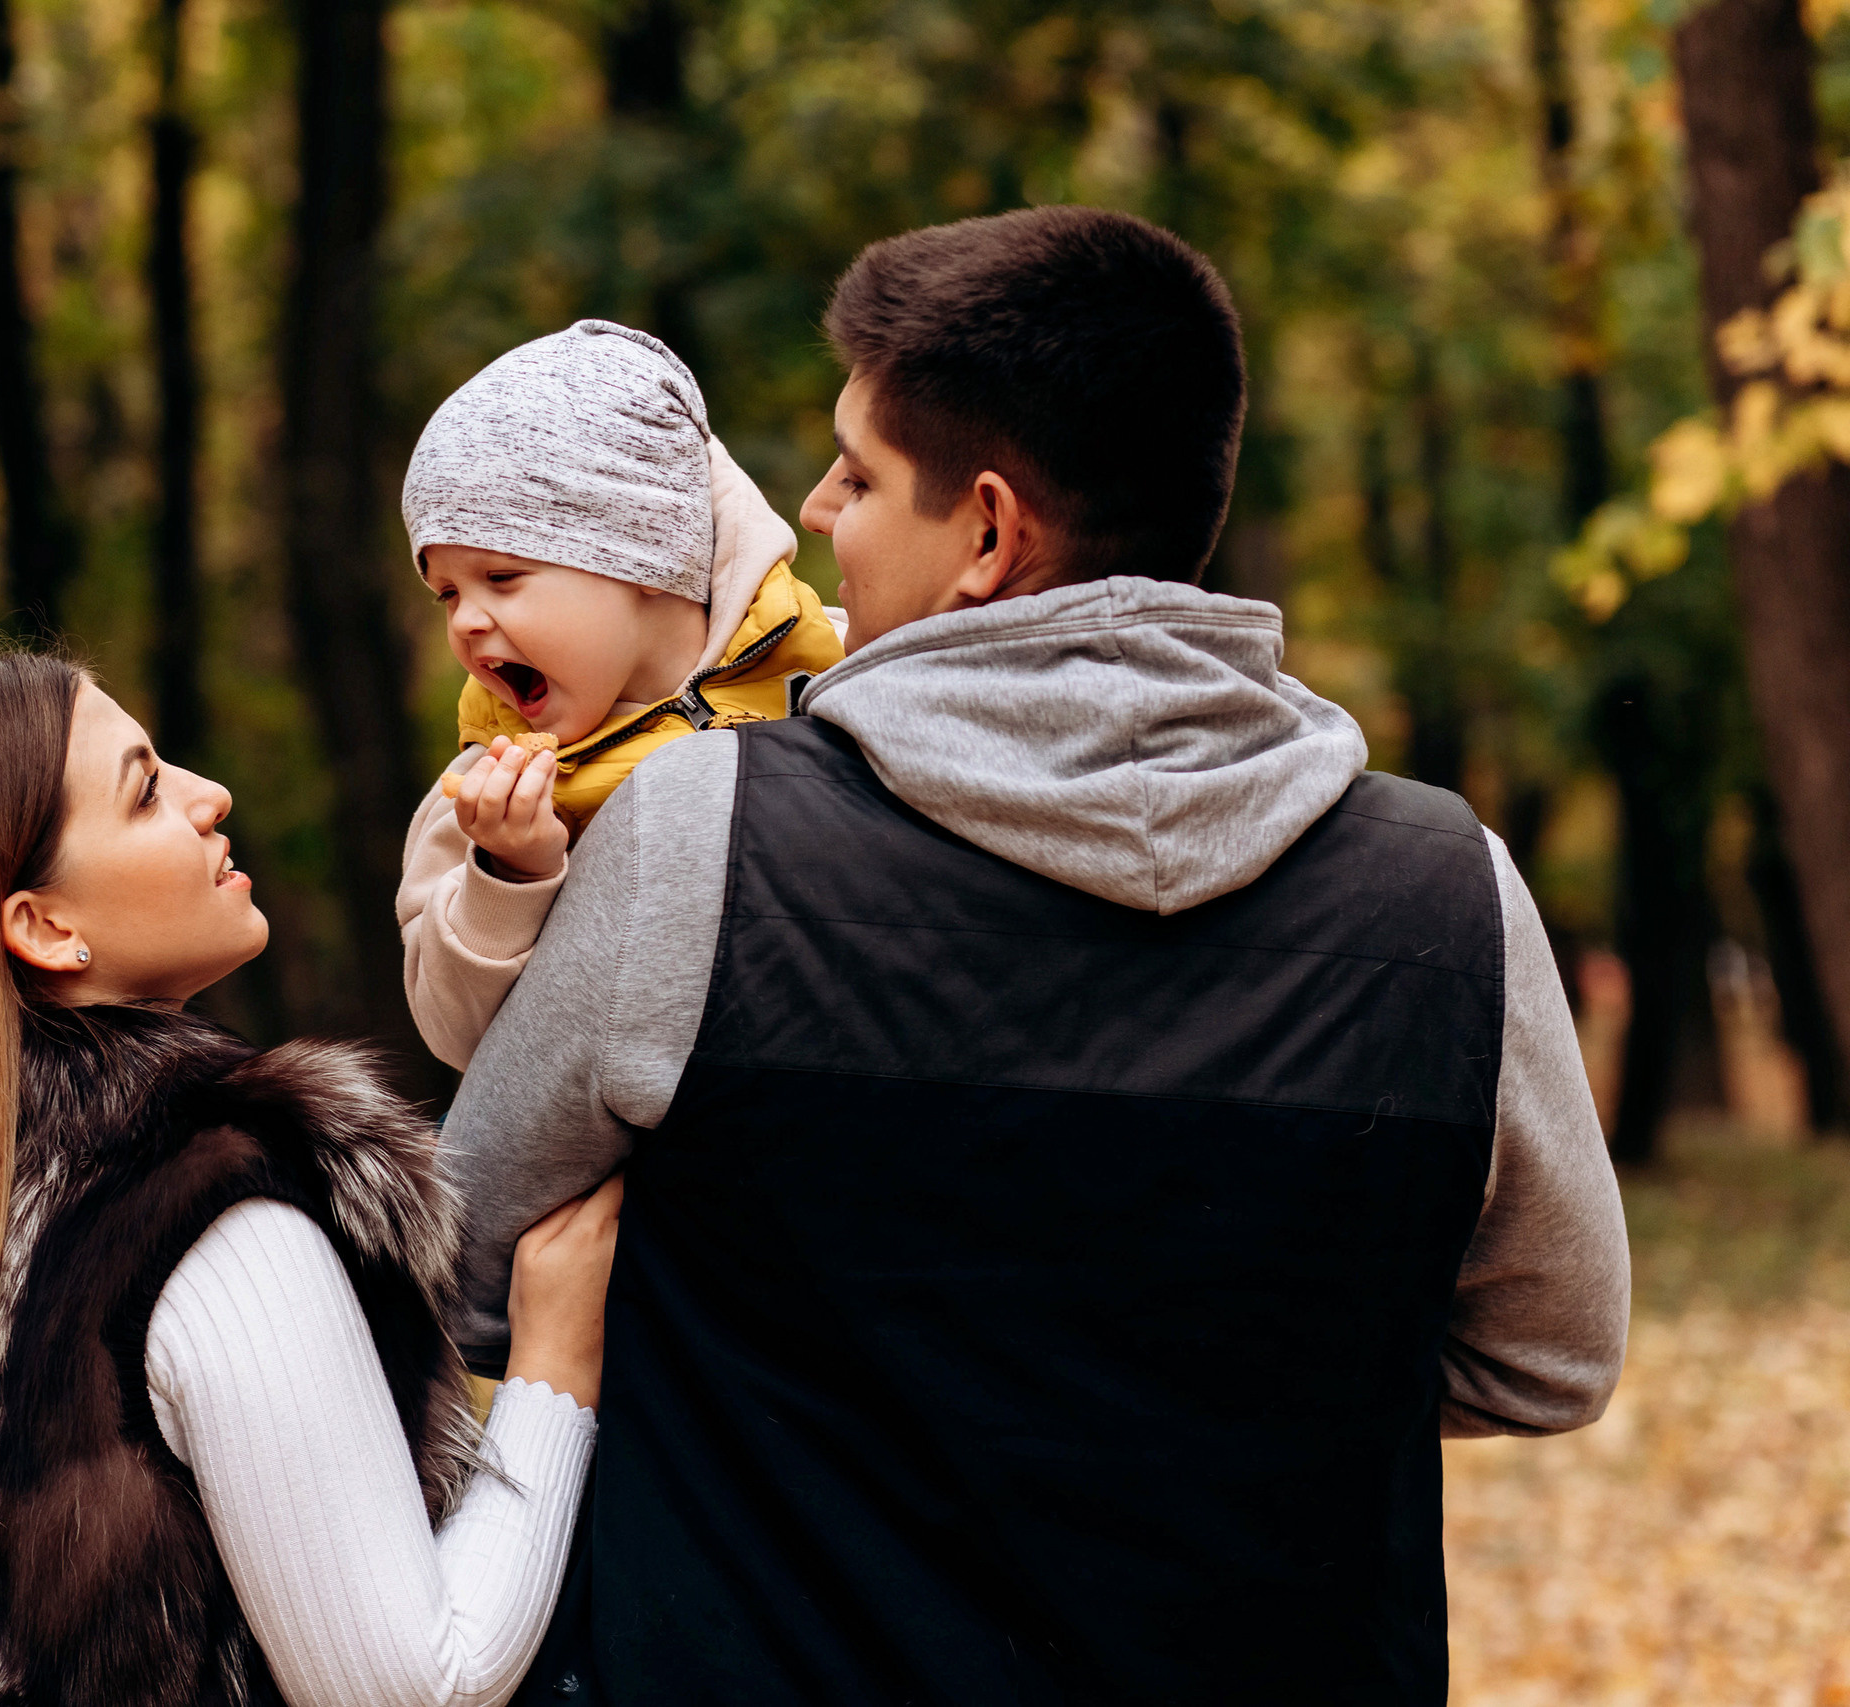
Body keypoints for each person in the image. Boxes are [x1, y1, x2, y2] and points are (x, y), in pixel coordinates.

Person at [436, 209, 1631, 1703]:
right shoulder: (1451, 894)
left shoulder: (707, 836)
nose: (815, 511)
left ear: (989, 535)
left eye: (859, 474)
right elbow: (1552, 1353)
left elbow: (470, 1258)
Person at [0, 648, 619, 1707]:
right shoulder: (205, 1224)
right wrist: (556, 1365)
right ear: (45, 929)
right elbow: (415, 1683)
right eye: (144, 792)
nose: (207, 795)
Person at [396, 319, 844, 1070]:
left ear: (644, 555)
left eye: (502, 577)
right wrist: (511, 876)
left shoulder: (839, 669)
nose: (468, 620)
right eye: (446, 592)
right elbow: (455, 1036)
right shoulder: (488, 795)